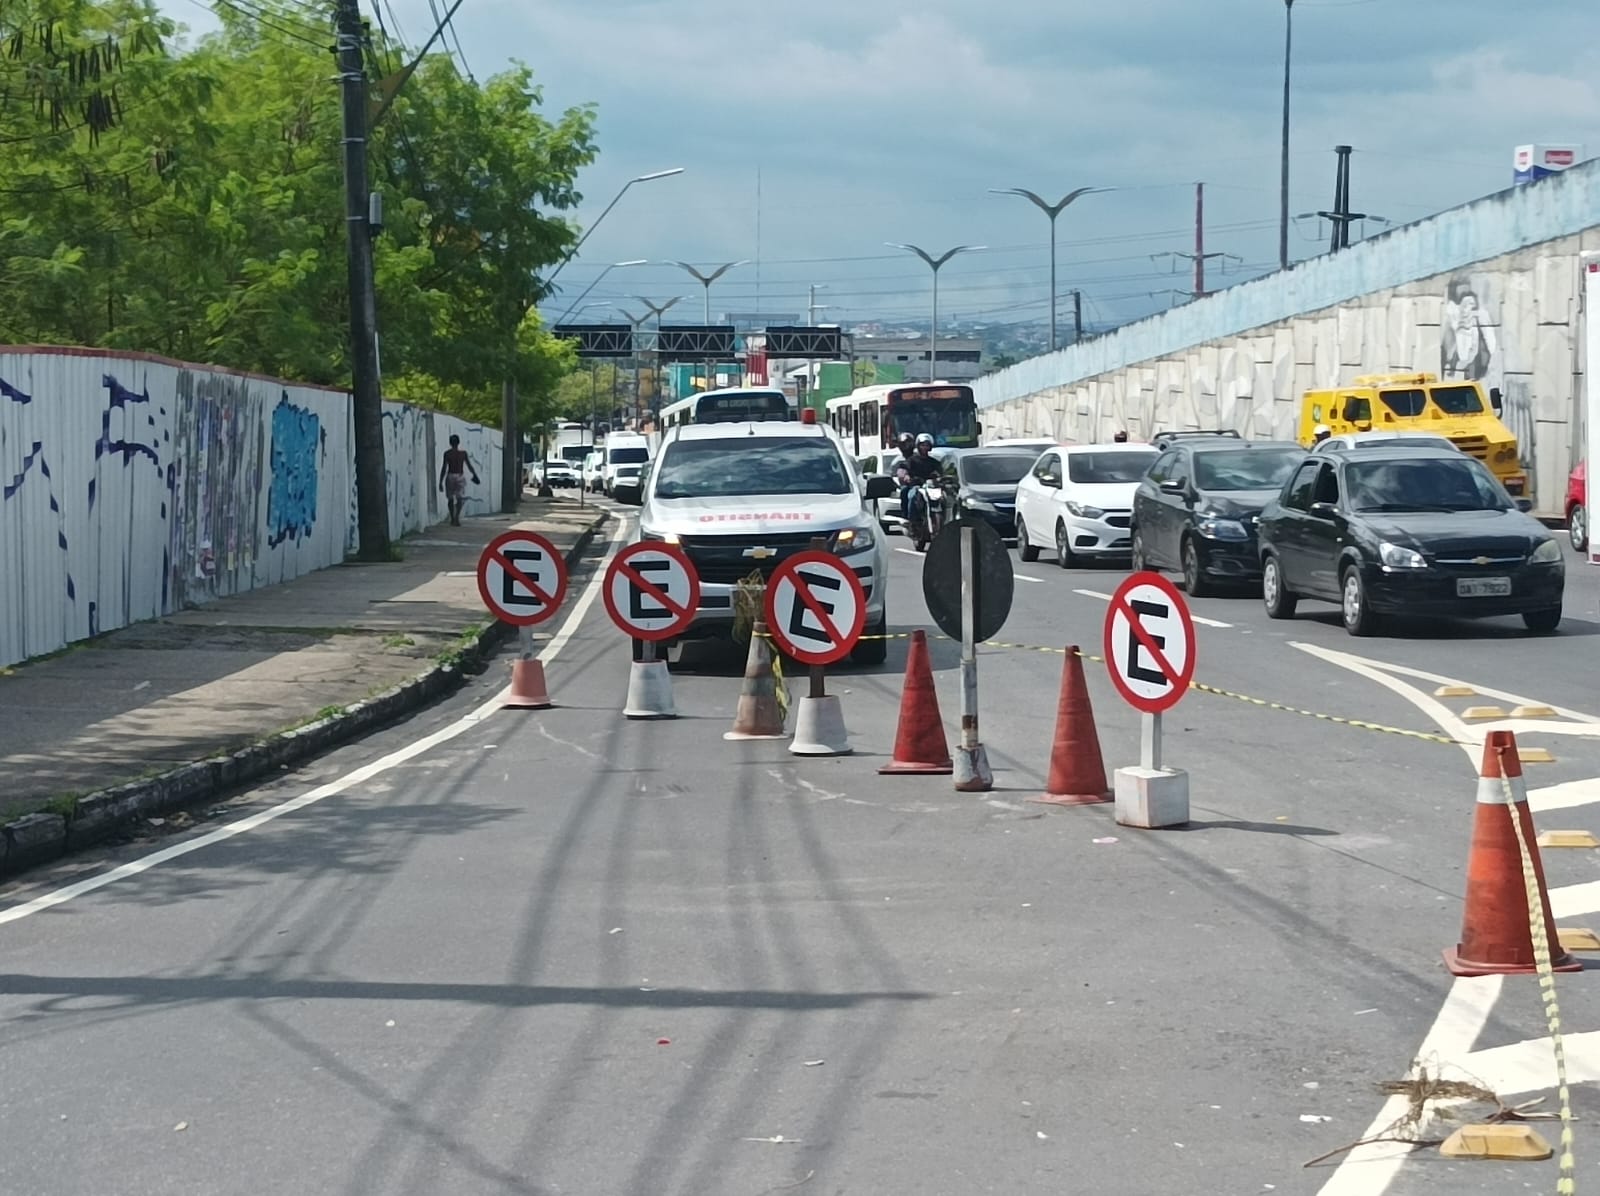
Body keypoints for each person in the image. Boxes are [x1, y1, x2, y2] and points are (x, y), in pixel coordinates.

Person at [439, 434, 480, 526]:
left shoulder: (447, 454)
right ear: (458, 442)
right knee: (459, 498)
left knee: (450, 498)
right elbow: (469, 465)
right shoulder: (463, 454)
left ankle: (452, 518)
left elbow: (444, 468)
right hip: (460, 476)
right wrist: (475, 475)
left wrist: (440, 481)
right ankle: (457, 517)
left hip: (450, 476)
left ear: (450, 443)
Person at [902, 433, 943, 525]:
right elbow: (904, 469)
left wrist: (940, 477)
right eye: (922, 445)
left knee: (943, 498)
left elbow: (940, 472)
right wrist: (906, 476)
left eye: (927, 445)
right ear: (918, 446)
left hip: (931, 487)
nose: (924, 447)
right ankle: (911, 521)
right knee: (912, 496)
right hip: (917, 486)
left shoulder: (934, 462)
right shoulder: (911, 460)